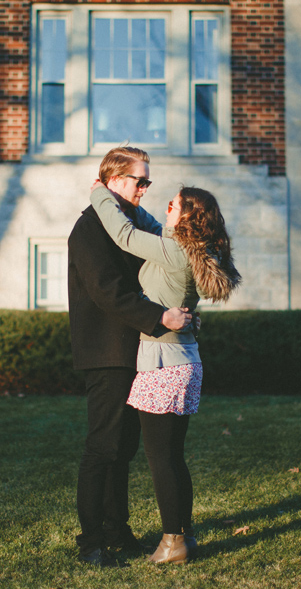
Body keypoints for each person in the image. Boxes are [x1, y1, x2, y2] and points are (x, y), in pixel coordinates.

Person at [88, 179, 241, 565]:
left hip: (163, 364)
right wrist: (127, 199)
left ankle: (174, 541)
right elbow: (149, 222)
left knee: (162, 460)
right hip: (182, 361)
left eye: (173, 204)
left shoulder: (173, 250)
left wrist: (98, 194)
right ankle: (184, 533)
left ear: (187, 215)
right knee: (172, 455)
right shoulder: (186, 246)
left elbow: (124, 235)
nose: (165, 207)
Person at [68, 146, 193, 568]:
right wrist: (161, 317)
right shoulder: (89, 228)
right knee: (102, 447)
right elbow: (107, 292)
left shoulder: (131, 222)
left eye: (147, 182)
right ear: (114, 180)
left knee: (124, 446)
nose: (145, 189)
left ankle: (117, 529)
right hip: (106, 351)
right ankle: (91, 542)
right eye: (140, 181)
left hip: (135, 349)